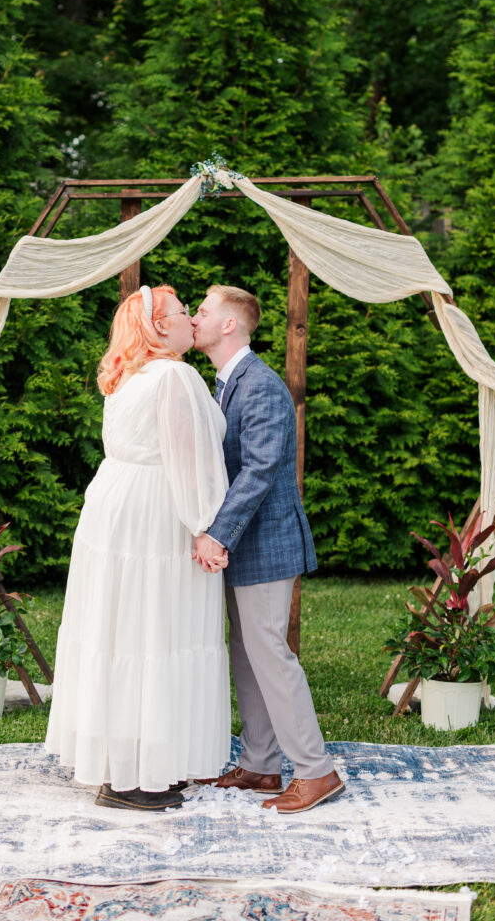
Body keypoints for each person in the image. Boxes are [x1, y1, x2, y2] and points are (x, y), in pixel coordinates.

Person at [45, 284, 231, 811]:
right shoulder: (174, 375)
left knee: (120, 629)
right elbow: (189, 458)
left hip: (113, 505)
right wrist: (207, 527)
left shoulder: (128, 375)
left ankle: (121, 765)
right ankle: (135, 781)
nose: (190, 320)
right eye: (180, 313)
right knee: (154, 629)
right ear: (157, 327)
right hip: (154, 510)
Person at [192, 285, 345, 814]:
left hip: (266, 541)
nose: (195, 318)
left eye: (203, 311)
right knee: (248, 655)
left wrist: (216, 534)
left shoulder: (259, 385)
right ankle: (260, 764)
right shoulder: (226, 383)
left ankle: (316, 771)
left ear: (230, 325)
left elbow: (258, 471)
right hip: (246, 544)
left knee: (271, 656)